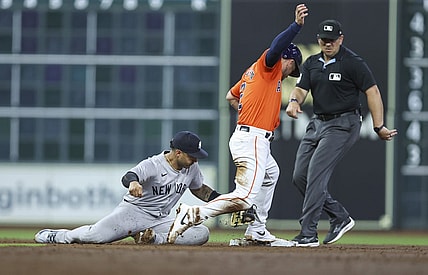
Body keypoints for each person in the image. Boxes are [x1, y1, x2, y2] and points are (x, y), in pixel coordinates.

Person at [167, 4, 309, 247]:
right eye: (292, 68)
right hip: (253, 139)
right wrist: (295, 27)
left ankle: (257, 231)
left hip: (251, 136)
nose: (290, 74)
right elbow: (276, 48)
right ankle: (193, 214)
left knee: (271, 175)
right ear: (287, 60)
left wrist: (248, 111)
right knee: (243, 197)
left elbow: (231, 97)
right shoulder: (269, 66)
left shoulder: (251, 73)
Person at [285, 19, 398, 247]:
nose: (328, 44)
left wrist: (378, 126)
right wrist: (294, 102)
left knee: (316, 174)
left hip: (343, 124)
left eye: (333, 40)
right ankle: (339, 216)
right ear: (319, 40)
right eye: (324, 40)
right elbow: (300, 88)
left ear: (341, 39)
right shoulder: (312, 63)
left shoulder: (352, 62)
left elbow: (372, 92)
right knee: (300, 176)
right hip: (318, 123)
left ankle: (308, 233)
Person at [34, 131, 221, 245]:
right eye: (192, 155)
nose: (196, 159)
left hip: (160, 220)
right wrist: (133, 183)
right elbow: (129, 176)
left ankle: (151, 239)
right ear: (178, 152)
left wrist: (225, 201)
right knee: (94, 236)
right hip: (133, 213)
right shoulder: (154, 164)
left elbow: (199, 190)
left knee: (201, 233)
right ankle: (59, 236)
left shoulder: (191, 168)